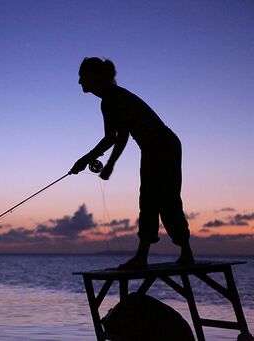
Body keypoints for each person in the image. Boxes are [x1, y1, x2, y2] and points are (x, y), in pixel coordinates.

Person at [70, 57, 194, 269]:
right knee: (157, 199)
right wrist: (105, 163)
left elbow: (114, 137)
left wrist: (88, 160)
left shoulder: (111, 99)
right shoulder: (112, 98)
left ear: (94, 77)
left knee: (157, 199)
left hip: (160, 146)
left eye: (82, 77)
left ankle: (148, 256)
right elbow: (119, 135)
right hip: (161, 145)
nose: (80, 82)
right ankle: (176, 253)